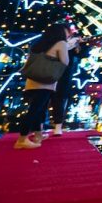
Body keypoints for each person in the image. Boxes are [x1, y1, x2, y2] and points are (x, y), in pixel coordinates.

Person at [14, 21, 70, 149]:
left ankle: (38, 135)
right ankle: (21, 139)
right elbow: (65, 61)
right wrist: (69, 47)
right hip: (45, 82)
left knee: (38, 109)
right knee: (35, 110)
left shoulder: (38, 43)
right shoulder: (61, 43)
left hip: (32, 81)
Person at [49, 23, 83, 135]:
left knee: (60, 98)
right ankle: (39, 126)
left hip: (64, 74)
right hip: (49, 73)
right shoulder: (53, 43)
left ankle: (57, 125)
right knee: (45, 98)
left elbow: (81, 54)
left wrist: (80, 45)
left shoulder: (73, 44)